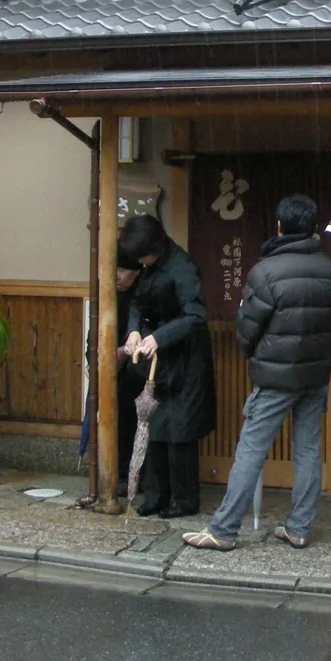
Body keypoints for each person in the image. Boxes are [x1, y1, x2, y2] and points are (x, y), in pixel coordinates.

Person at [183, 195, 331, 552]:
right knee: (308, 450)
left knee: (252, 450)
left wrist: (255, 355)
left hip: (274, 378)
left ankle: (224, 531)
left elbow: (247, 329)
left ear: (279, 227)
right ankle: (299, 527)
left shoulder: (266, 271)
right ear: (314, 228)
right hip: (315, 375)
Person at [120, 214, 216, 519]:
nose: (141, 262)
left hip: (185, 358)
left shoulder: (182, 267)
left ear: (155, 248)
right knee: (154, 427)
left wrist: (160, 337)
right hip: (157, 360)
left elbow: (196, 316)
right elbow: (137, 304)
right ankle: (156, 496)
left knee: (180, 432)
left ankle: (184, 500)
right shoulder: (149, 267)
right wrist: (134, 330)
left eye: (142, 256)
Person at [77, 249, 147, 505]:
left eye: (123, 270)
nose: (117, 276)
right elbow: (92, 336)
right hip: (107, 368)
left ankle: (131, 476)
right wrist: (94, 362)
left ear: (137, 272)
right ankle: (107, 474)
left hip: (135, 371)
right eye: (114, 270)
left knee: (130, 420)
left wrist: (124, 354)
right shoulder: (104, 293)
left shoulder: (142, 295)